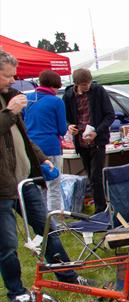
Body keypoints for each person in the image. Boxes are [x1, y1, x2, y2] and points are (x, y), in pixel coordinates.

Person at [0, 50, 86, 301]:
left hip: (23, 181)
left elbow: (23, 139)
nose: (12, 80)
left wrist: (42, 158)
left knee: (48, 228)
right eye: (7, 76)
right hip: (3, 187)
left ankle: (68, 277)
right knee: (7, 245)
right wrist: (10, 112)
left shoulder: (9, 98)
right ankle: (17, 294)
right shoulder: (10, 106)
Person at [63, 69, 114, 213]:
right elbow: (65, 117)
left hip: (98, 140)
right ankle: (98, 206)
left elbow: (110, 115)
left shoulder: (98, 91)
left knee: (96, 175)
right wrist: (69, 126)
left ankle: (100, 208)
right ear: (76, 84)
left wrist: (97, 132)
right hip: (81, 142)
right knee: (90, 175)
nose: (87, 86)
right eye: (84, 84)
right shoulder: (68, 96)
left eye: (89, 83)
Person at [23, 70, 67, 214]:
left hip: (31, 148)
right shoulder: (56, 101)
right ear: (54, 86)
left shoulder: (28, 99)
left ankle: (42, 218)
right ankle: (54, 221)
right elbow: (62, 129)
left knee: (39, 185)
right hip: (51, 147)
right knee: (53, 184)